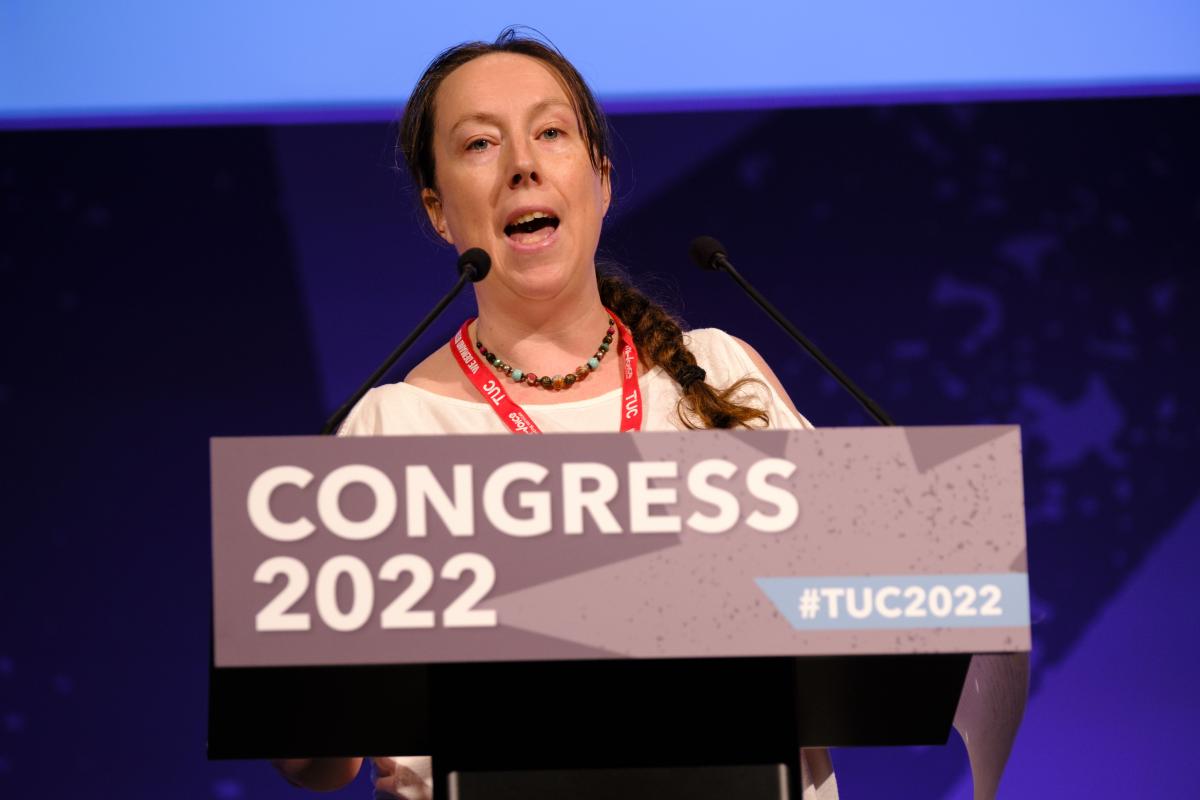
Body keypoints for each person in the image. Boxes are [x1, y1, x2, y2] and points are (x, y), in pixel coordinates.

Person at [274, 28, 1023, 800]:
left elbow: (856, 624)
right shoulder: (389, 432)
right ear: (439, 210)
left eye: (551, 133)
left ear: (599, 179)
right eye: (478, 144)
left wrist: (936, 549)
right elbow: (319, 764)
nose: (522, 164)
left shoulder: (720, 377)